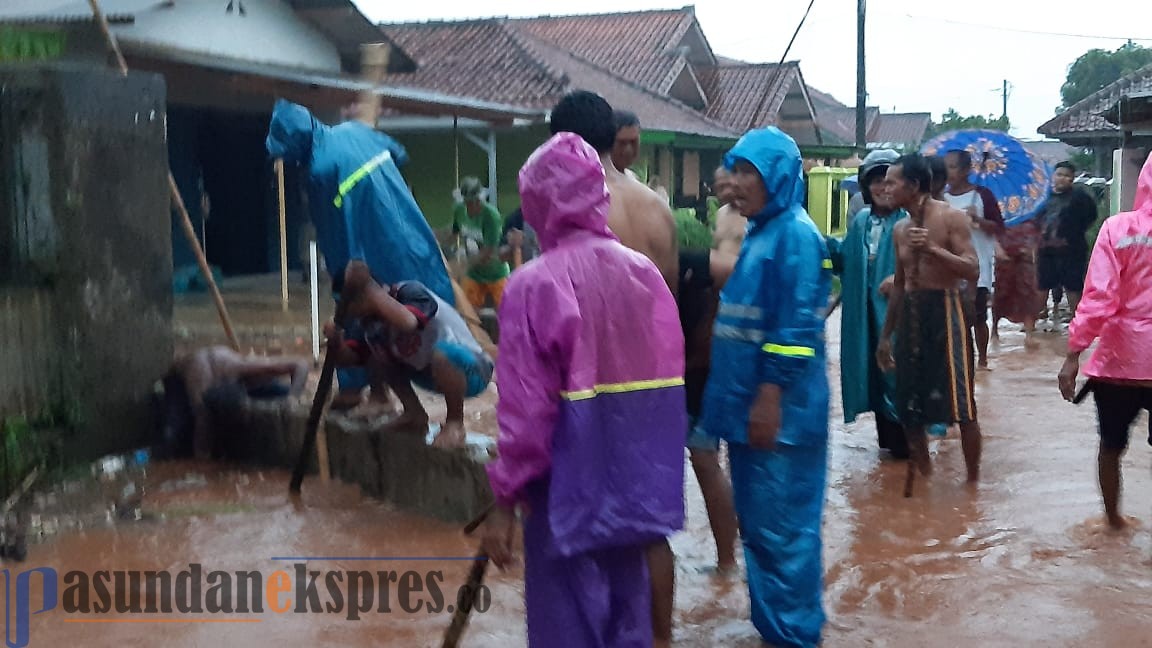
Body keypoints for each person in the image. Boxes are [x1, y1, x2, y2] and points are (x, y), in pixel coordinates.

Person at [481, 132, 686, 647]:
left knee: (566, 627)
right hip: (635, 488)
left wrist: (504, 500)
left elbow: (524, 413)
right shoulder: (644, 274)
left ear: (537, 204)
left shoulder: (531, 285)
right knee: (628, 625)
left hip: (564, 492)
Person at [547, 90, 679, 648]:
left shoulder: (561, 207)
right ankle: (662, 637)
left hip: (585, 385)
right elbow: (667, 299)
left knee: (585, 520)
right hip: (652, 382)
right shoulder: (655, 206)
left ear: (559, 142)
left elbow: (551, 313)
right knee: (649, 524)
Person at [700, 127, 832, 647]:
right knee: (760, 527)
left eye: (749, 172)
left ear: (777, 176)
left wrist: (770, 395)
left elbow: (797, 330)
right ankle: (774, 628)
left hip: (781, 417)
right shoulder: (761, 232)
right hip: (751, 409)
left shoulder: (796, 236)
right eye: (736, 170)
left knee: (784, 534)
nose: (737, 183)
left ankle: (794, 636)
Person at [266, 100, 455, 411]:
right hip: (409, 230)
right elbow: (399, 154)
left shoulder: (318, 172)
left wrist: (343, 278)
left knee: (365, 314)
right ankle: (419, 401)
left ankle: (364, 392)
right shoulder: (355, 130)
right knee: (432, 310)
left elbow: (333, 234)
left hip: (370, 247)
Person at [1058, 152, 1152, 531]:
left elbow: (1099, 297)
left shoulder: (1118, 229)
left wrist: (1072, 355)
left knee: (1111, 446)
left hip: (1118, 363)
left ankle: (1113, 523)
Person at [877, 153, 982, 483]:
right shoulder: (899, 229)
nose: (885, 188)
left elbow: (972, 269)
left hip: (946, 310)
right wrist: (885, 337)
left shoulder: (952, 218)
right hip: (911, 314)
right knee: (909, 408)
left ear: (913, 185)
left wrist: (933, 250)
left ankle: (972, 486)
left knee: (962, 405)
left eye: (892, 182)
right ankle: (924, 482)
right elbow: (899, 284)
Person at [324, 262, 493, 449]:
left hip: (471, 370)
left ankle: (455, 423)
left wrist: (372, 293)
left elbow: (408, 322)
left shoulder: (409, 292)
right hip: (428, 374)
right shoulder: (368, 323)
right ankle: (413, 413)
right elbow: (351, 358)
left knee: (441, 355)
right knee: (378, 353)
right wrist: (336, 342)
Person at [678, 165, 743, 575]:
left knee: (704, 458)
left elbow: (731, 279)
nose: (724, 189)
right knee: (704, 458)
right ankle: (727, 560)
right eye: (717, 184)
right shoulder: (720, 219)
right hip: (701, 355)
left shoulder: (750, 225)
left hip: (709, 355)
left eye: (729, 181)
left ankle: (726, 560)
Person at [828, 149, 910, 459]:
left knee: (898, 374)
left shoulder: (910, 221)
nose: (883, 188)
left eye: (890, 181)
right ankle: (889, 445)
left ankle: (910, 447)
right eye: (876, 181)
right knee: (872, 373)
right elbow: (846, 260)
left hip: (898, 314)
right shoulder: (861, 221)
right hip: (864, 314)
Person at [162, 347, 310, 459]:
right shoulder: (200, 400)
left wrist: (292, 399)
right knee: (173, 436)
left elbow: (301, 364)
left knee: (283, 392)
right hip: (177, 382)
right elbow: (201, 449)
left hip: (222, 369)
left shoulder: (241, 367)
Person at [943, 149, 1004, 370]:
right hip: (949, 264)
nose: (948, 172)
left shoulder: (982, 196)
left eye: (952, 166)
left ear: (966, 170)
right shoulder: (941, 198)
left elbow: (998, 227)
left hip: (979, 265)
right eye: (946, 166)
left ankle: (982, 359)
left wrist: (978, 219)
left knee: (978, 315)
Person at [1037, 161, 1098, 319]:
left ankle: (1077, 319)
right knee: (1042, 285)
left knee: (1073, 286)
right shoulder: (1043, 197)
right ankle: (1034, 322)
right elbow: (1034, 219)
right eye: (1059, 175)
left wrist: (1073, 232)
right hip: (1045, 250)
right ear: (1053, 176)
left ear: (1072, 178)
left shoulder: (1080, 198)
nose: (1063, 178)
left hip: (1072, 250)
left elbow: (1091, 217)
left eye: (1067, 176)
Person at [452, 177, 512, 309]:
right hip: (474, 274)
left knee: (505, 311)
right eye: (469, 203)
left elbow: (489, 250)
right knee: (467, 311)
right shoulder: (459, 211)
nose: (474, 206)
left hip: (496, 272)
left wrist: (462, 266)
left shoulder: (491, 216)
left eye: (477, 202)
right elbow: (453, 233)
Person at [991, 218, 1042, 345]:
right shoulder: (1001, 207)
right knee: (1001, 294)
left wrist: (1033, 250)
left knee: (1029, 294)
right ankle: (994, 330)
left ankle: (1029, 334)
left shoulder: (1032, 209)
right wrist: (996, 248)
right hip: (1004, 256)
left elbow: (1038, 231)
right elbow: (991, 228)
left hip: (1026, 257)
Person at [611, 110, 641, 176]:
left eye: (633, 142)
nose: (628, 150)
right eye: (622, 143)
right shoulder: (596, 180)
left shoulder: (633, 178)